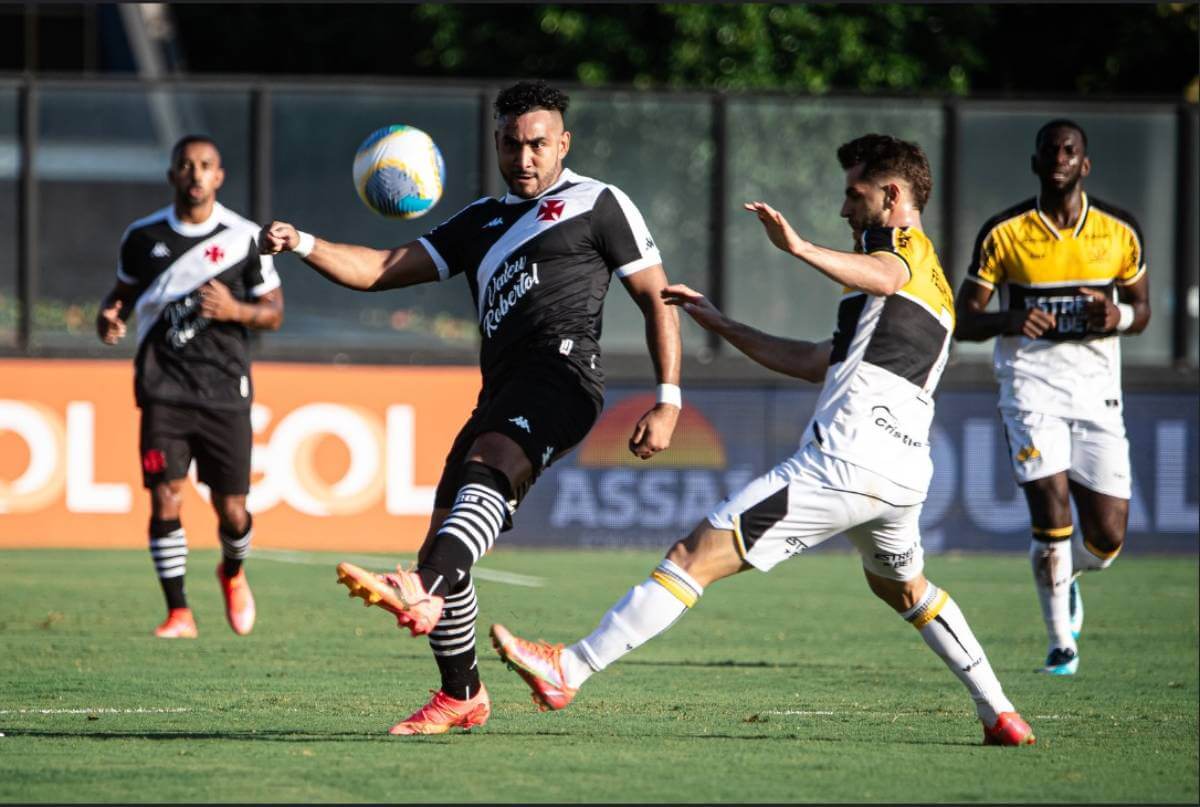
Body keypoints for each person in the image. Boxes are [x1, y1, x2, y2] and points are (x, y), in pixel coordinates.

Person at [490, 134, 1036, 747]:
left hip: (846, 461)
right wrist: (723, 324)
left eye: (854, 195)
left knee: (693, 556)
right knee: (902, 587)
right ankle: (1001, 713)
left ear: (891, 194)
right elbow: (814, 361)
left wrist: (799, 247)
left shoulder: (899, 250)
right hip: (904, 473)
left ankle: (570, 669)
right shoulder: (926, 286)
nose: (843, 210)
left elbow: (885, 273)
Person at [259, 80, 681, 735]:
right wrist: (304, 244)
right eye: (512, 143)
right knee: (443, 536)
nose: (525, 156)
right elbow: (377, 268)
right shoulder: (479, 221)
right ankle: (463, 693)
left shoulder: (598, 203)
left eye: (539, 143)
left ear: (562, 142)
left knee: (488, 467)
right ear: (496, 144)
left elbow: (658, 297)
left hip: (565, 375)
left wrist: (668, 398)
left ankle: (422, 587)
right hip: (501, 390)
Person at [954, 120, 1150, 676]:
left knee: (1107, 539)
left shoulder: (1119, 233)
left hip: (1096, 394)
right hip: (1030, 386)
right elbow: (965, 320)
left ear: (1085, 165)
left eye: (1071, 151)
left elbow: (1143, 312)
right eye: (1051, 151)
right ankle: (1061, 644)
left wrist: (1120, 315)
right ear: (1035, 163)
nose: (1060, 158)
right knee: (1050, 510)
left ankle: (1071, 574)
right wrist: (1012, 318)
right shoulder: (1005, 234)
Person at [96, 135, 284, 640]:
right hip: (163, 388)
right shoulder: (142, 237)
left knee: (233, 510)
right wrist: (109, 317)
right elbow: (121, 297)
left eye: (206, 166)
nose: (196, 174)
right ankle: (179, 612)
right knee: (165, 496)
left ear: (219, 177)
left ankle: (233, 571)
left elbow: (274, 312)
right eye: (186, 166)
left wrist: (236, 310)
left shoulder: (246, 237)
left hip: (225, 389)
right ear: (172, 176)